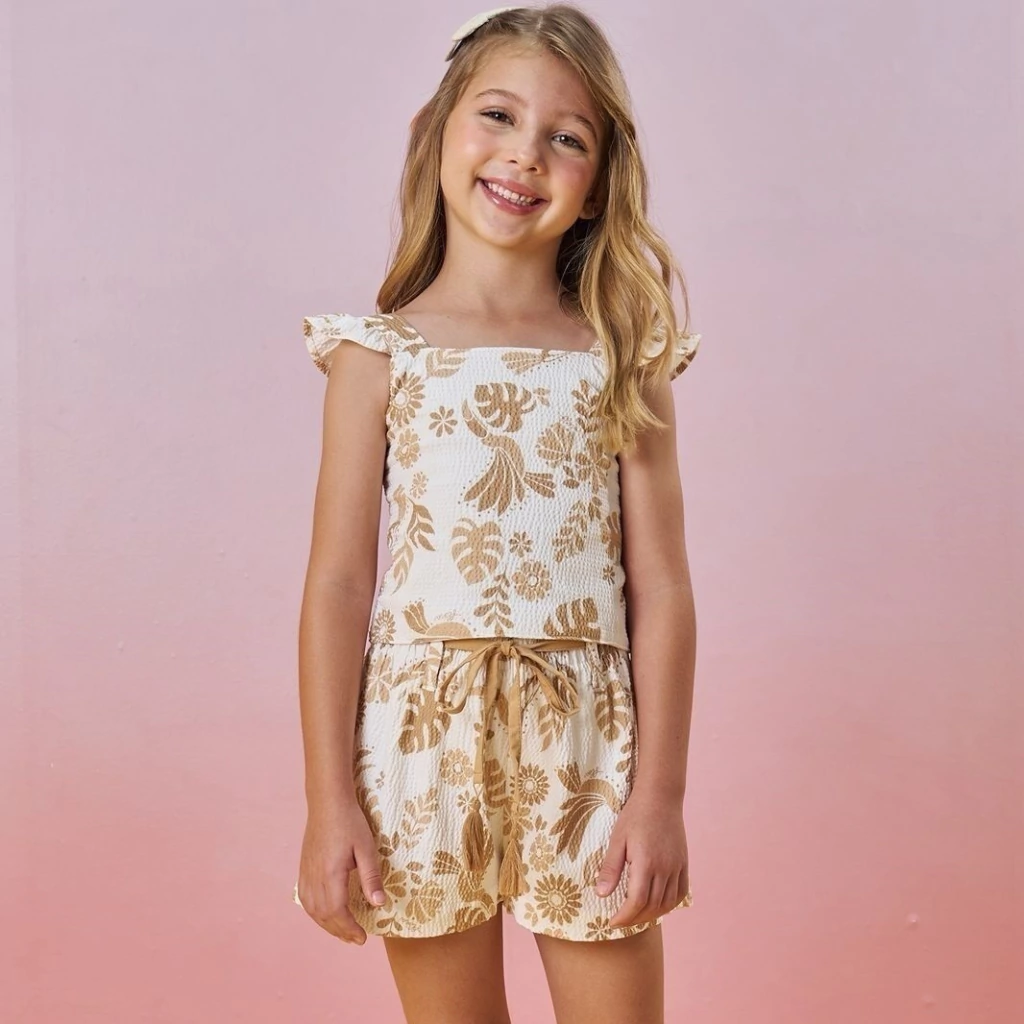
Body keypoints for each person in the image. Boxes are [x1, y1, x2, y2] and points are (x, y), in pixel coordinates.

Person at [293, 4, 701, 1021]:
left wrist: (659, 797)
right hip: (418, 747)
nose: (526, 155)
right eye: (499, 116)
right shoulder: (376, 357)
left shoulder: (620, 358)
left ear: (599, 180)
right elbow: (338, 583)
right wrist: (328, 800)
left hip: (589, 751)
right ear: (437, 128)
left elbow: (662, 587)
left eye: (568, 137)